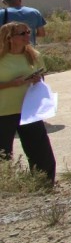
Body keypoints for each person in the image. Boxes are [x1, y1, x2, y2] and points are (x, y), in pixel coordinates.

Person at [0, 22, 55, 183]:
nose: (27, 36)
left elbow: (42, 77)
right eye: (22, 34)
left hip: (29, 110)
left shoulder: (33, 55)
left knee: (40, 151)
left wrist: (37, 79)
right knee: (3, 153)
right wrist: (12, 84)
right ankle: (6, 187)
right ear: (9, 38)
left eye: (28, 32)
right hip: (3, 112)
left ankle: (44, 183)